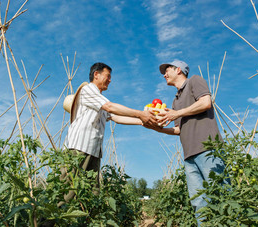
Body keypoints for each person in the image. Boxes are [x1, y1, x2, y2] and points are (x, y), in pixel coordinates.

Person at [61, 62, 157, 205]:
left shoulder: (98, 99)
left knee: (91, 193)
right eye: (108, 76)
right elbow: (111, 107)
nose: (110, 80)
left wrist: (142, 122)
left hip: (93, 150)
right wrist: (141, 114)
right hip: (78, 148)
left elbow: (115, 117)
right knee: (67, 192)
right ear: (96, 75)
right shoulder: (88, 90)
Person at [145, 60, 225, 225]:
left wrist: (177, 113)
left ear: (178, 70)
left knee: (221, 195)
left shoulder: (194, 81)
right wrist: (158, 129)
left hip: (208, 149)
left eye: (167, 70)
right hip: (189, 155)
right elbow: (178, 129)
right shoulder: (175, 100)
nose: (164, 74)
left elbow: (205, 102)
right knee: (198, 202)